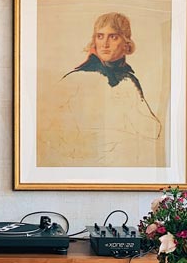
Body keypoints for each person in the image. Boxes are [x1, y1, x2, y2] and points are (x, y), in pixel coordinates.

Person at [39, 12, 163, 168]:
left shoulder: (129, 81)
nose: (105, 44)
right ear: (94, 40)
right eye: (100, 36)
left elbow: (153, 130)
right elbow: (46, 129)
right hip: (80, 165)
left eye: (113, 37)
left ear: (126, 43)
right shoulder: (76, 78)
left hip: (123, 165)